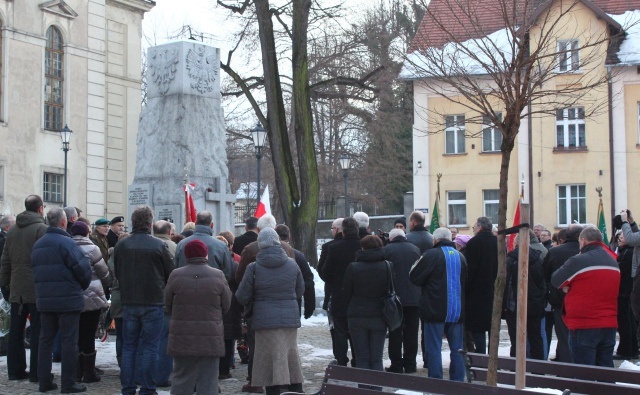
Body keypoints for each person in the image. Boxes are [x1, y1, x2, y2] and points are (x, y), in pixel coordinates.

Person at [236, 228, 304, 395]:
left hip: (263, 319)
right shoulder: (292, 264)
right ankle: (296, 389)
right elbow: (300, 289)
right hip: (289, 319)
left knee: (267, 359)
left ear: (260, 245)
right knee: (290, 355)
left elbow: (242, 296)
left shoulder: (254, 268)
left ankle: (273, 391)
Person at [114, 205, 174, 395]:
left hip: (129, 301)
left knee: (130, 347)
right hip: (153, 301)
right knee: (150, 347)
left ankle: (128, 388)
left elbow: (118, 271)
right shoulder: (158, 245)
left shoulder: (122, 245)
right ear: (150, 223)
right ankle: (148, 388)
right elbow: (170, 273)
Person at [33, 208, 92, 393]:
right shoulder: (67, 243)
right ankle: (68, 383)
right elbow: (83, 270)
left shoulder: (38, 244)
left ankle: (44, 381)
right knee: (69, 342)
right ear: (64, 222)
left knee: (45, 342)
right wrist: (80, 287)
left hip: (45, 299)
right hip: (68, 300)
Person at [165, 239, 231, 395]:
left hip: (182, 335)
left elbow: (167, 304)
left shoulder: (176, 275)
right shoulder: (218, 275)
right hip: (210, 335)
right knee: (209, 380)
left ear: (186, 255)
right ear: (206, 255)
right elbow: (226, 304)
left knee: (181, 377)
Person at [551, 227, 620, 367]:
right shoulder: (613, 262)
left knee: (584, 374)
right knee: (606, 372)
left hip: (584, 324)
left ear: (583, 241)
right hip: (609, 323)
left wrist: (570, 286)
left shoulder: (578, 261)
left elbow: (556, 280)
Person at [0, 195, 48, 382]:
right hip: (36, 288)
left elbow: (5, 261)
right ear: (40, 209)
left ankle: (15, 371)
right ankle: (36, 373)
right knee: (37, 331)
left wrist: (4, 284)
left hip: (16, 288)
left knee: (16, 331)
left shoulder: (12, 232)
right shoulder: (42, 229)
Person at [410, 227, 466, 381]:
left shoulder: (430, 255)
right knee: (457, 349)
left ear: (434, 240)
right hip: (457, 309)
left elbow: (414, 276)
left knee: (434, 348)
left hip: (434, 308)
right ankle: (458, 381)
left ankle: (436, 381)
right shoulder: (461, 256)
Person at [69, 221, 112, 384]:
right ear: (87, 233)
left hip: (72, 295)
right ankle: (88, 373)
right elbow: (104, 273)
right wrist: (108, 285)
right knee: (89, 333)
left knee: (76, 334)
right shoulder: (93, 248)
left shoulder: (67, 247)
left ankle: (76, 372)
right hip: (93, 295)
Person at [342, 235, 388, 370]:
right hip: (380, 315)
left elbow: (346, 292)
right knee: (377, 358)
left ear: (362, 248)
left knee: (361, 358)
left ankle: (363, 388)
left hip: (357, 315)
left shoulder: (354, 267)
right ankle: (377, 389)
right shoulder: (387, 266)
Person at [321, 217, 361, 367]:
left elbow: (325, 272)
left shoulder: (334, 248)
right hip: (359, 296)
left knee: (340, 333)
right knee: (357, 333)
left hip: (339, 295)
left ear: (342, 231)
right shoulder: (363, 246)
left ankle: (341, 361)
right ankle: (357, 360)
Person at [383, 229, 421, 373]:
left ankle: (396, 364)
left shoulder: (386, 250)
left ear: (391, 238)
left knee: (394, 332)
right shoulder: (415, 250)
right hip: (413, 298)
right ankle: (410, 364)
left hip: (394, 299)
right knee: (412, 333)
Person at [543, 224, 583, 363]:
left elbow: (546, 274)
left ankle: (566, 369)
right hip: (583, 301)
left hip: (559, 301)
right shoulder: (586, 251)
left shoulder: (555, 252)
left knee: (564, 336)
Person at [504, 235, 546, 360]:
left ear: (516, 243)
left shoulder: (511, 259)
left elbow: (508, 284)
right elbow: (542, 283)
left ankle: (516, 368)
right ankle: (538, 369)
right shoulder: (539, 258)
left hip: (514, 306)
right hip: (535, 304)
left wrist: (507, 306)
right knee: (536, 338)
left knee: (516, 339)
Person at [464, 216, 498, 354]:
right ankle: (493, 357)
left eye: (474, 227)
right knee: (493, 327)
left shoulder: (473, 243)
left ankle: (480, 357)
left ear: (479, 227)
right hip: (494, 290)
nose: (473, 230)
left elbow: (469, 270)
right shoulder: (498, 242)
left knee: (478, 328)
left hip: (476, 292)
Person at [175, 211, 233, 281]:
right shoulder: (221, 246)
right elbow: (227, 274)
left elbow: (176, 269)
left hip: (184, 288)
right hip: (212, 288)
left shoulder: (181, 244)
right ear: (212, 225)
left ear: (195, 223)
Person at [274, 224, 316, 320]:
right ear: (289, 237)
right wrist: (309, 306)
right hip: (293, 302)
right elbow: (308, 281)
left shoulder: (263, 254)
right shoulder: (298, 255)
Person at [614, 231, 639, 359]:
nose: (620, 238)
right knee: (629, 322)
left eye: (623, 237)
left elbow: (620, 269)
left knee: (625, 322)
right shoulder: (627, 251)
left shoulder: (627, 252)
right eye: (619, 236)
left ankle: (625, 351)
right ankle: (632, 349)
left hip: (624, 291)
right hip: (627, 291)